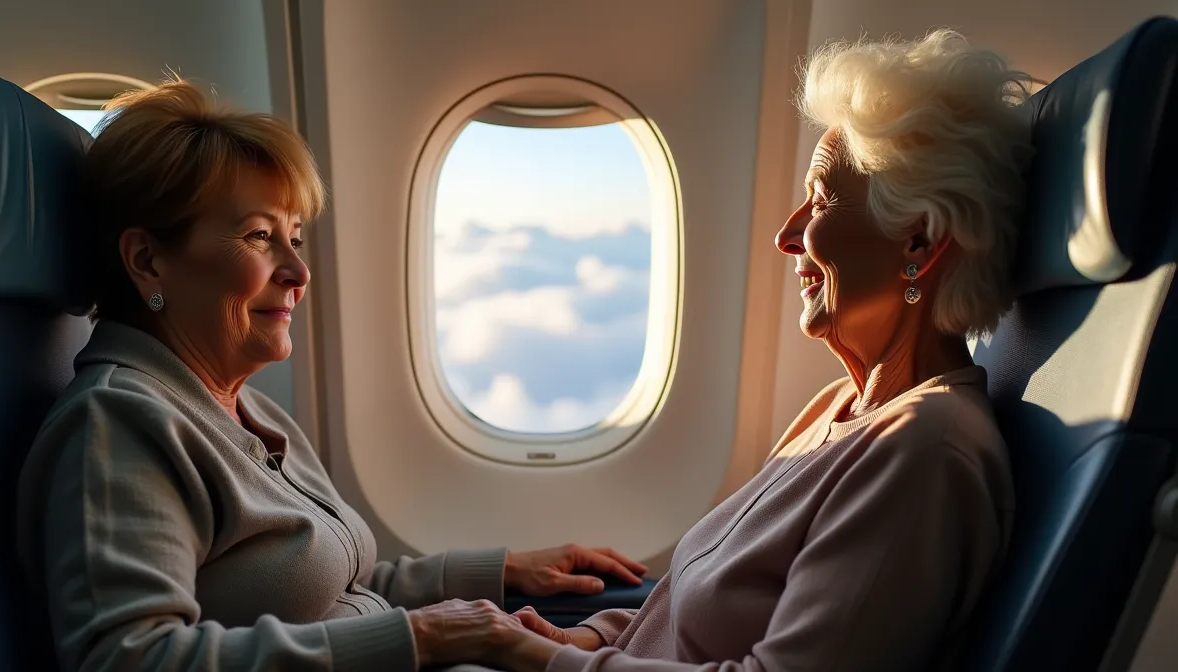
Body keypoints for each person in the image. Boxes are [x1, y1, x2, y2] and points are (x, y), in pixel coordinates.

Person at [442, 27, 1033, 672]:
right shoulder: (841, 408)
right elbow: (692, 597)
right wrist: (587, 637)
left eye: (822, 198)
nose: (788, 234)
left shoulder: (922, 454)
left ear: (918, 241)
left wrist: (525, 654)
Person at [14, 79, 647, 672]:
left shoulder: (245, 413)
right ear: (148, 261)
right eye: (261, 237)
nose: (298, 271)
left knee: (655, 601)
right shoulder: (118, 428)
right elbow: (132, 657)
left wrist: (502, 571)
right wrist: (430, 636)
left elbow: (337, 588)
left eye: (295, 236)